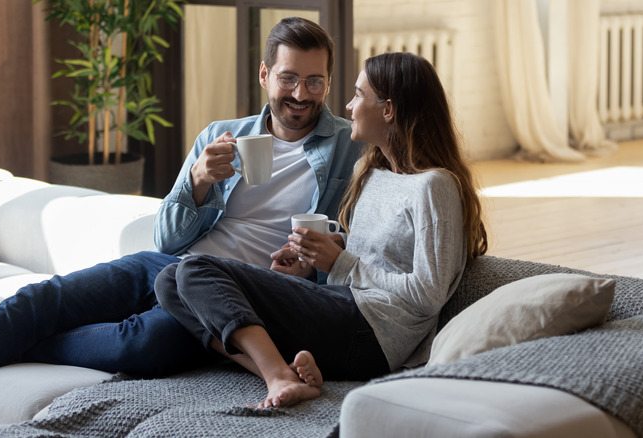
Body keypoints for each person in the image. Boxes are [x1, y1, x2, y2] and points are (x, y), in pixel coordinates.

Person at [0, 16, 364, 417]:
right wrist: (197, 179)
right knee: (43, 299)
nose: (301, 95)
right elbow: (167, 239)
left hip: (236, 297)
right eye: (289, 79)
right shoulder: (221, 136)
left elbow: (357, 245)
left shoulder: (353, 147)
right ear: (265, 75)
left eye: (315, 82)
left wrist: (316, 262)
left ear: (328, 82)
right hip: (170, 268)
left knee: (142, 343)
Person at [154, 52, 489, 409]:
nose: (347, 105)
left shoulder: (434, 186)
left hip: (376, 333)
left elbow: (427, 293)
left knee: (195, 268)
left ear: (388, 109)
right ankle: (283, 371)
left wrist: (340, 262)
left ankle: (277, 376)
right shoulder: (372, 172)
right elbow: (378, 254)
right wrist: (315, 257)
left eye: (359, 95)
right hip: (343, 311)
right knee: (169, 281)